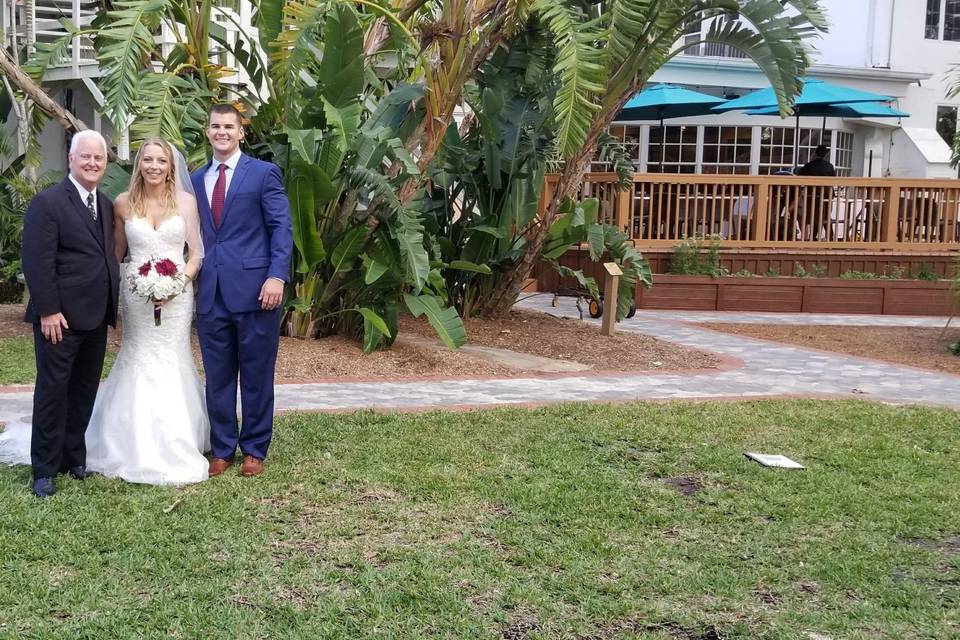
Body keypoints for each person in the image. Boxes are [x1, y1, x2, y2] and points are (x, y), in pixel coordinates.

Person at [82, 138, 210, 485]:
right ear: (139, 164)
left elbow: (196, 253)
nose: (154, 166)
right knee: (137, 355)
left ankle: (177, 439)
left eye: (161, 161)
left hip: (177, 295)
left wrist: (176, 285)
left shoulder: (186, 202)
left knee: (171, 356)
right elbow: (116, 255)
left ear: (171, 167)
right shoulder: (123, 203)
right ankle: (126, 440)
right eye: (148, 160)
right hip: (136, 296)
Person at [191, 104, 293, 478]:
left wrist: (276, 276)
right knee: (216, 377)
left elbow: (281, 228)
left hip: (256, 292)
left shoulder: (263, 174)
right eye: (216, 125)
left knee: (255, 374)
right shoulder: (195, 178)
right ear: (208, 131)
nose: (222, 132)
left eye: (229, 126)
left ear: (241, 133)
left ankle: (254, 449)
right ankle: (222, 449)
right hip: (211, 294)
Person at [18, 130, 120, 498]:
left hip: (94, 316)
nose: (93, 163)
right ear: (71, 160)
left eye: (99, 158)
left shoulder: (105, 204)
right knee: (52, 391)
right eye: (86, 157)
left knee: (83, 389)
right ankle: (44, 468)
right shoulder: (48, 203)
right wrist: (48, 310)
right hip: (58, 318)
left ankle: (73, 457)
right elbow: (37, 261)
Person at [796, 144, 836, 240]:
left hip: (811, 198)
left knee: (814, 215)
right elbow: (834, 180)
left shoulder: (809, 166)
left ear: (815, 153)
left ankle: (812, 237)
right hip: (826, 198)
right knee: (825, 216)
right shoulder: (829, 167)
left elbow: (799, 177)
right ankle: (830, 237)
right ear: (825, 154)